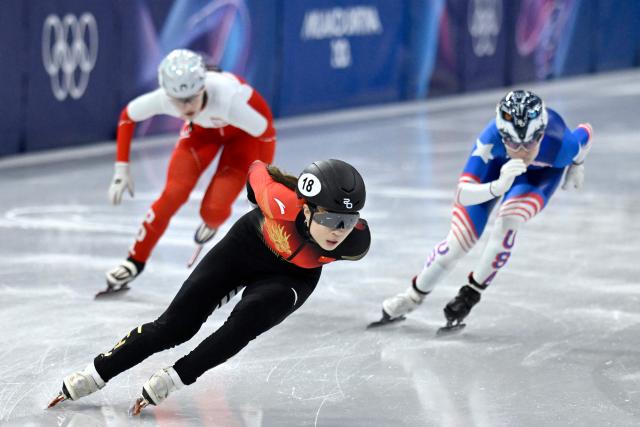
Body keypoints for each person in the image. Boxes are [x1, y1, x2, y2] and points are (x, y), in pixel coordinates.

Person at [48, 159, 371, 414]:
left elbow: (344, 231)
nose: (337, 231)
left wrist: (173, 377)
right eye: (329, 219)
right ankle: (95, 373)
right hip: (245, 247)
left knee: (251, 317)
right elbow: (256, 170)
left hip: (292, 278)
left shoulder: (355, 243)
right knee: (175, 327)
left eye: (346, 221)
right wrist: (254, 199)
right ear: (306, 207)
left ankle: (174, 378)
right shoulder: (277, 202)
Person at [372, 89, 593, 332]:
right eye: (511, 142)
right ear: (502, 135)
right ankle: (412, 297)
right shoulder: (490, 140)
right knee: (457, 243)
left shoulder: (562, 145)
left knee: (508, 220)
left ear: (541, 135)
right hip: (495, 170)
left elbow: (586, 133)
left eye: (529, 142)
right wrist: (497, 186)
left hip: (540, 177)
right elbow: (463, 194)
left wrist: (577, 164)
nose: (520, 151)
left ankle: (470, 294)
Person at [103, 48, 276, 293]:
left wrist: (264, 183)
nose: (186, 108)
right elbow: (127, 117)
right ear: (167, 94)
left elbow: (266, 133)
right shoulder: (165, 99)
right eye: (178, 100)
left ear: (203, 87)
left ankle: (213, 220)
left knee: (214, 211)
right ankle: (134, 260)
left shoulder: (229, 100)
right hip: (201, 135)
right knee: (172, 195)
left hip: (243, 137)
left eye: (192, 98)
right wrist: (121, 169)